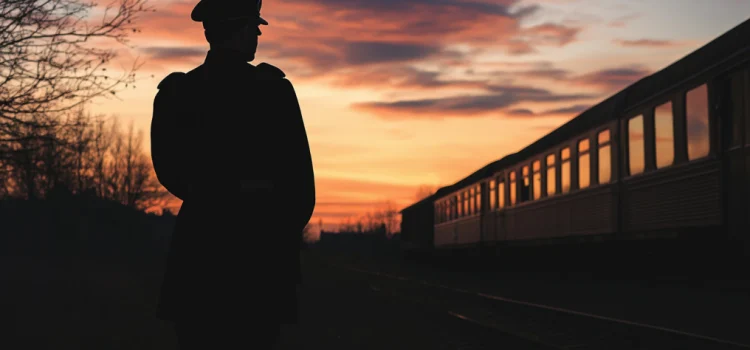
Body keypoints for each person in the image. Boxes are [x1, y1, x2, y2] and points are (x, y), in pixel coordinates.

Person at [149, 0, 316, 347]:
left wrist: (213, 197)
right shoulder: (273, 90)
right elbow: (299, 184)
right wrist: (274, 232)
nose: (257, 34)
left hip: (199, 257)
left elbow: (170, 170)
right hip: (261, 262)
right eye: (253, 27)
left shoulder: (178, 92)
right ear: (238, 30)